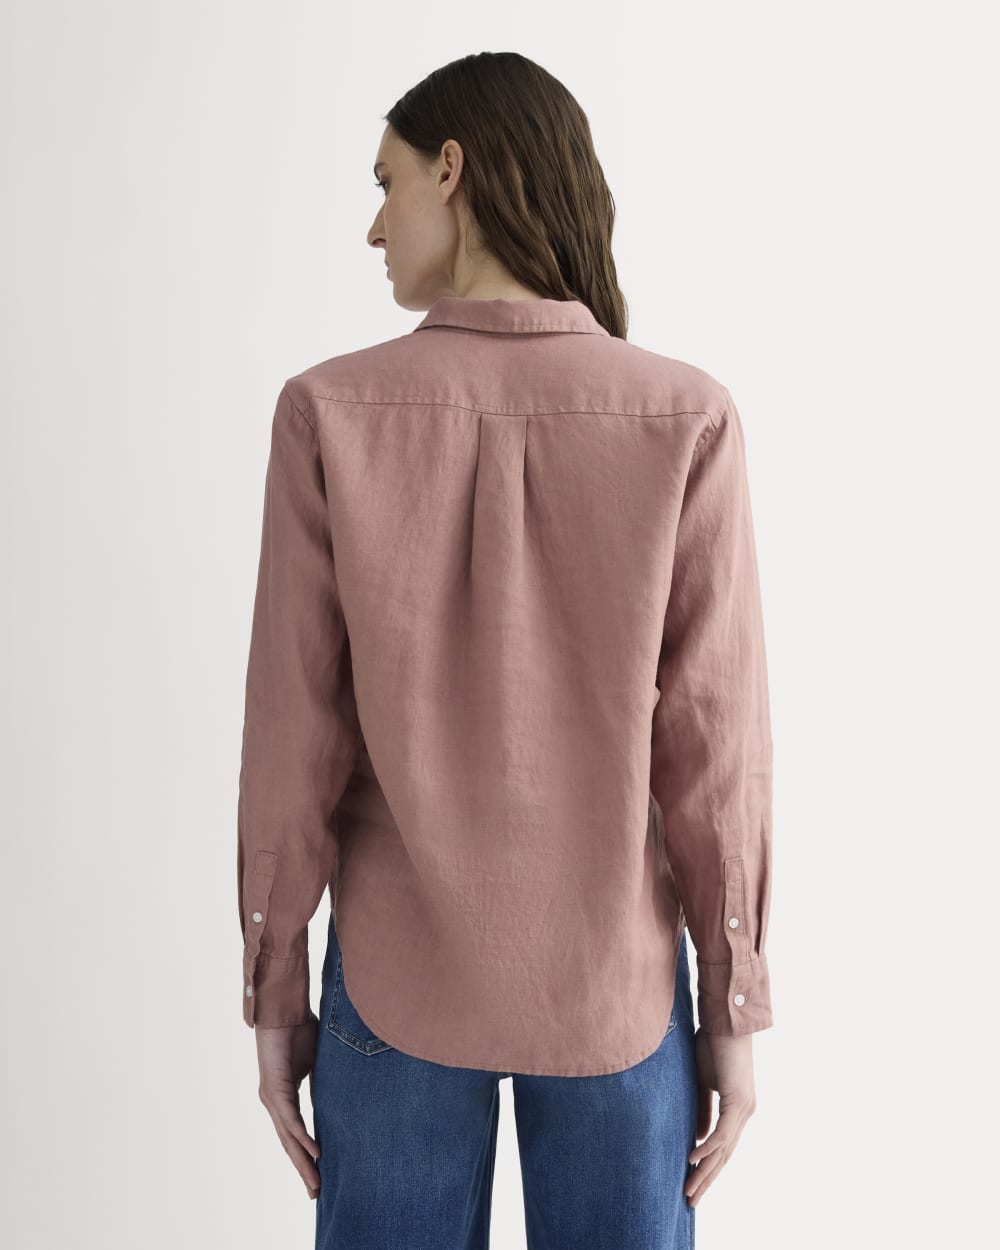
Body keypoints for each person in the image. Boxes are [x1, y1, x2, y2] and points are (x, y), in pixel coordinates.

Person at [236, 51, 775, 1250]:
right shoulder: (683, 417)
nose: (373, 226)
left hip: (392, 982)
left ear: (453, 168)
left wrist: (273, 996)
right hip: (616, 990)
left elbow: (291, 737)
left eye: (385, 182)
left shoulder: (328, 412)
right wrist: (732, 1006)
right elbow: (714, 751)